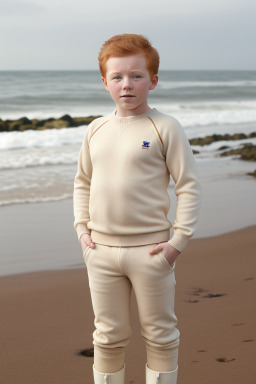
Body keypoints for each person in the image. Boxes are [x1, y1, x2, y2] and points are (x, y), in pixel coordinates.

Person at [73, 33, 202, 384]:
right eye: (117, 77)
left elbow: (188, 185)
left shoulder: (165, 128)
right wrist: (82, 231)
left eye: (136, 76)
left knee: (160, 334)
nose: (126, 85)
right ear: (105, 83)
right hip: (99, 251)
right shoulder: (96, 129)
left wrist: (178, 242)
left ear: (153, 81)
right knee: (108, 336)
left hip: (152, 251)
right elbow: (82, 181)